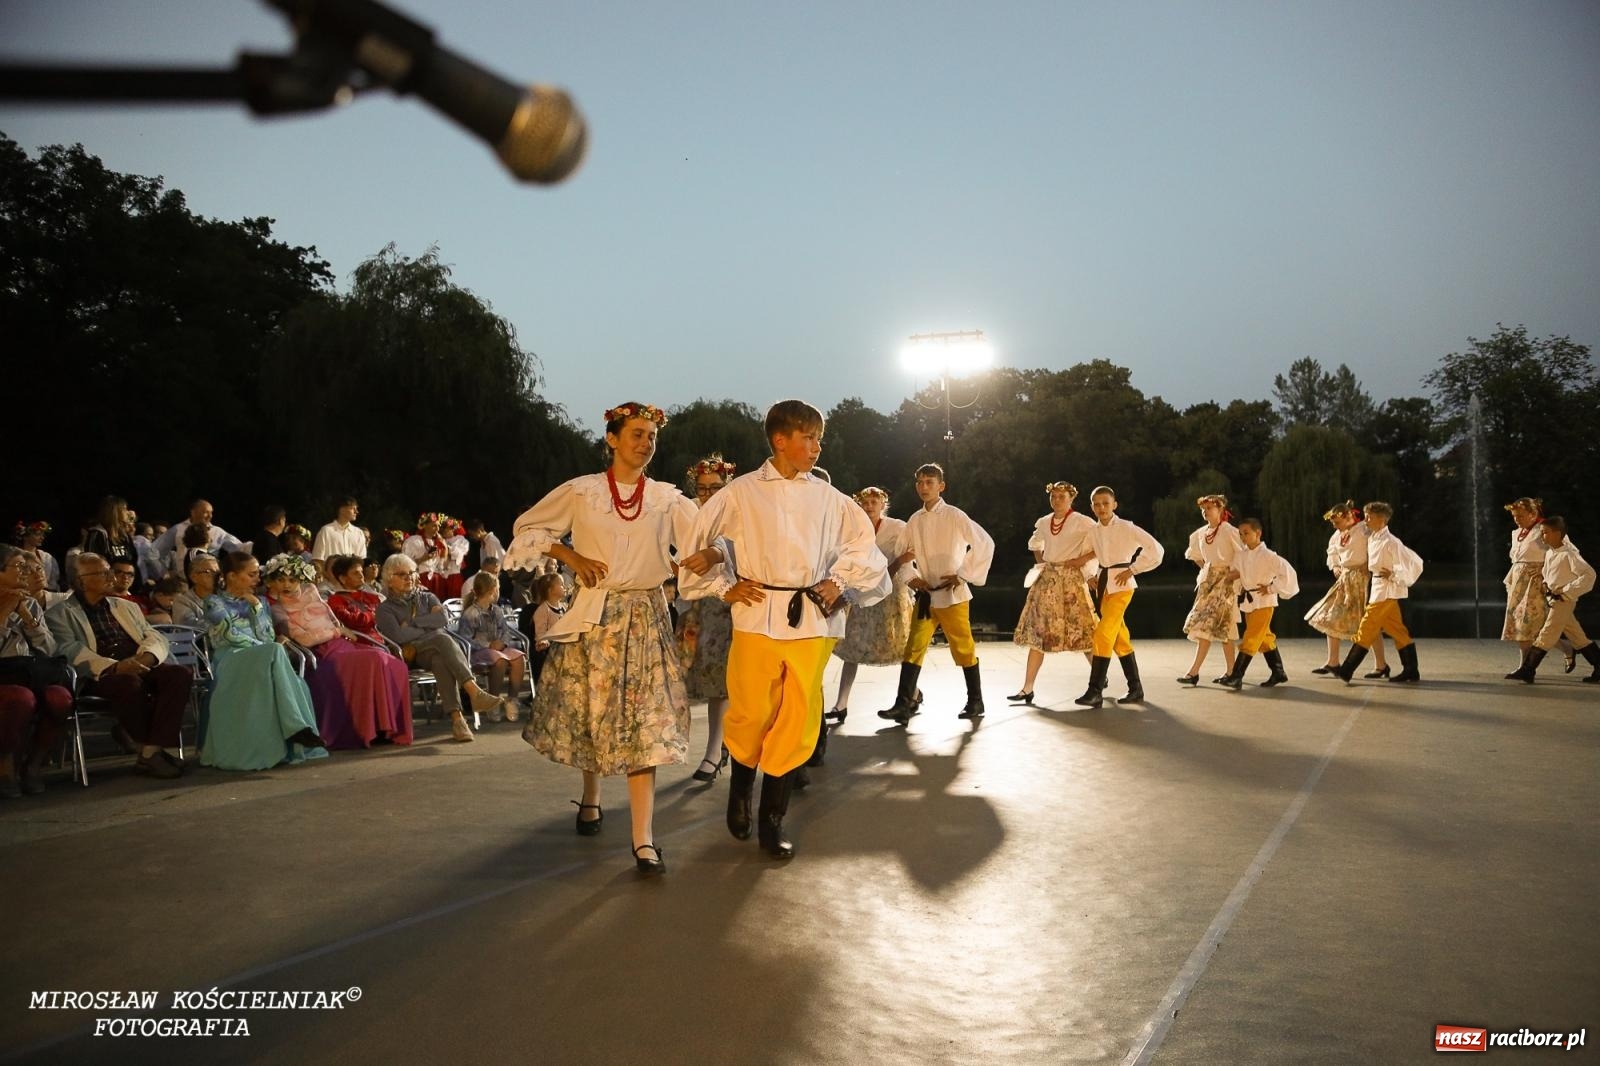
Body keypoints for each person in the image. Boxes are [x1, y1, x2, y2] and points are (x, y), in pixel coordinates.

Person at [680, 399, 889, 861]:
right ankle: (739, 791)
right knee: (751, 711)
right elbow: (698, 541)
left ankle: (773, 819)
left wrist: (839, 581)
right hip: (756, 613)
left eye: (819, 438)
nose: (817, 447)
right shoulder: (741, 492)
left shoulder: (831, 498)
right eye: (809, 437)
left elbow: (865, 548)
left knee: (797, 716)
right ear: (780, 440)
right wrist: (723, 587)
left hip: (811, 618)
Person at [506, 402, 698, 875]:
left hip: (648, 616)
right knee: (594, 713)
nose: (645, 442)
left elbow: (706, 541)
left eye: (651, 435)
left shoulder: (667, 499)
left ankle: (643, 839)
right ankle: (591, 795)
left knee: (645, 724)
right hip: (596, 616)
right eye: (636, 433)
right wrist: (570, 557)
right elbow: (527, 528)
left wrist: (707, 562)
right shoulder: (583, 492)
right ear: (612, 438)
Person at [45, 553, 193, 780]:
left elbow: (152, 634)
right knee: (127, 683)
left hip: (139, 659)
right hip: (101, 672)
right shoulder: (60, 614)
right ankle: (152, 753)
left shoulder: (126, 606)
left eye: (109, 571)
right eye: (102, 573)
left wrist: (148, 657)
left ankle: (150, 751)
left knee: (179, 675)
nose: (111, 577)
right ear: (80, 580)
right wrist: (115, 667)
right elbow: (69, 650)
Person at [878, 462, 995, 724]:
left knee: (963, 647)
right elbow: (901, 552)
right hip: (926, 597)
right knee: (913, 647)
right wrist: (911, 577)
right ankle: (904, 703)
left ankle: (975, 701)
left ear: (941, 486)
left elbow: (984, 543)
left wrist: (963, 574)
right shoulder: (915, 520)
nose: (923, 487)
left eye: (929, 482)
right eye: (919, 482)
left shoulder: (954, 515)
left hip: (952, 595)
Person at [263, 553, 413, 748]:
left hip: (341, 644)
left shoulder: (311, 591)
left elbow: (332, 618)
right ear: (271, 583)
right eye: (281, 580)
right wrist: (336, 631)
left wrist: (338, 629)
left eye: (292, 579)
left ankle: (385, 728)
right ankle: (366, 730)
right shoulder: (277, 609)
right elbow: (304, 639)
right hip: (320, 653)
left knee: (395, 664)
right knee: (374, 658)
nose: (287, 585)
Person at [200, 552, 327, 770]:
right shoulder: (214, 602)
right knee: (275, 651)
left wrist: (257, 609)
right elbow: (231, 635)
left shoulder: (260, 602)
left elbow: (267, 636)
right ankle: (296, 727)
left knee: (279, 657)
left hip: (263, 657)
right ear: (231, 576)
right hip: (230, 658)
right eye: (251, 575)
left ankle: (295, 729)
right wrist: (263, 650)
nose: (257, 579)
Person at [375, 553, 503, 742]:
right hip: (410, 653)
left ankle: (458, 720)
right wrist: (428, 625)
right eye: (402, 574)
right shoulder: (385, 609)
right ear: (389, 579)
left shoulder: (427, 597)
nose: (409, 577)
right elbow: (398, 636)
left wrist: (412, 623)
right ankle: (473, 691)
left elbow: (442, 619)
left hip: (434, 651)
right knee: (441, 638)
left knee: (441, 659)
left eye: (411, 572)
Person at [676, 452, 738, 782]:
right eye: (702, 488)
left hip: (727, 606)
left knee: (721, 682)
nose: (708, 494)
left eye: (715, 487)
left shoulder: (738, 514)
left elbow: (732, 554)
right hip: (694, 607)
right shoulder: (688, 511)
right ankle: (721, 744)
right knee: (695, 679)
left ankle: (714, 751)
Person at [827, 487, 914, 720]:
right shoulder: (854, 528)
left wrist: (909, 570)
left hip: (889, 593)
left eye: (874, 501)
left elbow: (910, 554)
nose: (869, 506)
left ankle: (912, 693)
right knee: (852, 646)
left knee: (895, 646)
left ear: (883, 504)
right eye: (865, 502)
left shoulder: (897, 527)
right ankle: (841, 704)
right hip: (860, 593)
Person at [1009, 481, 1099, 703]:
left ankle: (1098, 678)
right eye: (1054, 496)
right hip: (1048, 581)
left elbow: (1099, 545)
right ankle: (1027, 688)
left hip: (1070, 581)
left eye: (1061, 496)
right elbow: (1035, 544)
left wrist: (1081, 563)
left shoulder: (1082, 522)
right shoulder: (1044, 521)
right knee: (1038, 633)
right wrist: (1044, 565)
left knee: (1081, 631)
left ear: (1071, 498)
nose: (1056, 500)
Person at [1076, 486, 1165, 707]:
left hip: (1122, 586)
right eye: (1096, 504)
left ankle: (1095, 690)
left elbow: (1155, 549)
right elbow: (1085, 556)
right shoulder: (1093, 532)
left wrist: (1134, 569)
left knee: (1103, 634)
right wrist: (1088, 576)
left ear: (1114, 505)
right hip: (1103, 586)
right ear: (1091, 507)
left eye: (1105, 503)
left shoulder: (1127, 527)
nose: (1101, 508)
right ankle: (1136, 688)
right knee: (1119, 638)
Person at [0, 545, 73, 798]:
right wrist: (4, 612)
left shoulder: (29, 602)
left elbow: (50, 648)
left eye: (28, 567)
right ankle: (6, 766)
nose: (26, 572)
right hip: (5, 675)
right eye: (19, 567)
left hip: (30, 671)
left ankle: (33, 764)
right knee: (21, 699)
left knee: (60, 699)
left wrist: (28, 620)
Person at [1334, 502, 1423, 683]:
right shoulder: (1374, 537)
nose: (1366, 520)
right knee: (1397, 630)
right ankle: (1411, 669)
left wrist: (1395, 574)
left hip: (1386, 591)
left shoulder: (1391, 542)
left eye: (1369, 517)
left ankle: (1347, 669)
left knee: (1366, 627)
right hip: (1379, 587)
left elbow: (1409, 562)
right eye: (1366, 516)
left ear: (1382, 520)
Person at [1506, 517, 1599, 683]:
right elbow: (1550, 576)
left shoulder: (1570, 554)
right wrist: (1547, 586)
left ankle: (1528, 670)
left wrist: (1566, 592)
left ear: (1558, 534)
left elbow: (1589, 575)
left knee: (1546, 634)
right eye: (1541, 533)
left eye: (1545, 533)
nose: (1542, 537)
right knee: (1577, 636)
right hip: (1554, 599)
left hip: (1563, 601)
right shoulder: (1550, 553)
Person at [1305, 502, 1391, 678]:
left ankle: (1381, 665)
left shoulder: (1363, 530)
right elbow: (1332, 553)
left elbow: (1377, 545)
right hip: (1345, 579)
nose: (1335, 526)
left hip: (1362, 579)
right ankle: (1333, 662)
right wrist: (1336, 566)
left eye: (1337, 522)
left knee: (1367, 624)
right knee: (1330, 616)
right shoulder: (1337, 535)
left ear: (1348, 516)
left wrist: (1371, 564)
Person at [1215, 518, 1299, 688]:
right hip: (1249, 601)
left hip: (1264, 602)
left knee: (1251, 637)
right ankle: (1278, 672)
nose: (1243, 537)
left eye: (1246, 533)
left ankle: (1236, 676)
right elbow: (1236, 572)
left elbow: (1288, 573)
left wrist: (1271, 588)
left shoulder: (1269, 556)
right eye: (1240, 534)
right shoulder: (1241, 555)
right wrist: (1220, 578)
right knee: (1264, 638)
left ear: (1258, 533)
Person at [1177, 495, 1242, 685]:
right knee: (1217, 626)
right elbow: (1194, 555)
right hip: (1209, 581)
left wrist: (1233, 574)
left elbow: (1242, 554)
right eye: (1203, 509)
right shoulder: (1200, 533)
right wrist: (1206, 568)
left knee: (1214, 625)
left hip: (1226, 581)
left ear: (1220, 510)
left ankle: (1196, 672)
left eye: (1210, 508)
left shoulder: (1229, 531)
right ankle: (1230, 673)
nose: (1205, 512)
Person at [455, 571, 528, 723]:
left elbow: (505, 631)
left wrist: (503, 642)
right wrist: (488, 645)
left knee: (519, 657)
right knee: (500, 660)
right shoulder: (471, 613)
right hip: (477, 653)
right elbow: (465, 639)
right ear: (493, 590)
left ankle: (512, 700)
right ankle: (493, 702)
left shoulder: (497, 611)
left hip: (497, 649)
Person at [153, 499, 242, 576]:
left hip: (210, 583)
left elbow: (239, 548)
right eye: (206, 512)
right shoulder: (178, 529)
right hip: (183, 583)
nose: (210, 516)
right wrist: (163, 573)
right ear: (193, 512)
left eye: (211, 513)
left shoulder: (217, 532)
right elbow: (154, 551)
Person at [520, 571, 567, 681]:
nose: (564, 587)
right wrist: (543, 640)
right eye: (561, 584)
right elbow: (540, 631)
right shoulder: (543, 610)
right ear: (550, 591)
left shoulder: (564, 607)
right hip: (551, 645)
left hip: (563, 642)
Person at [83, 496, 140, 583]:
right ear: (115, 512)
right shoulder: (98, 534)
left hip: (125, 586)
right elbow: (93, 565)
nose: (128, 512)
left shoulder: (124, 536)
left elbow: (133, 560)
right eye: (124, 509)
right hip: (107, 586)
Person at [311, 497, 367, 582]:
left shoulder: (358, 533)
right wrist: (330, 578)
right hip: (329, 584)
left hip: (352, 584)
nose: (356, 512)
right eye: (353, 508)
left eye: (356, 508)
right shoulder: (326, 531)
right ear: (342, 509)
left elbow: (361, 561)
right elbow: (317, 560)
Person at [327, 556, 386, 636]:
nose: (361, 576)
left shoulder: (371, 596)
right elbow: (350, 621)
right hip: (357, 643)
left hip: (382, 640)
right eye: (356, 573)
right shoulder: (335, 600)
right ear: (342, 579)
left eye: (361, 572)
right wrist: (372, 616)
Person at [403, 514, 452, 599]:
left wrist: (445, 550)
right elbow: (405, 565)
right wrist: (423, 558)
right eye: (434, 526)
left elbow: (444, 566)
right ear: (425, 526)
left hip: (437, 580)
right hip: (420, 579)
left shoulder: (438, 542)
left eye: (438, 526)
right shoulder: (413, 540)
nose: (437, 529)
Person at [172, 552, 219, 628]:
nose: (216, 576)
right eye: (209, 572)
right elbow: (190, 627)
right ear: (194, 577)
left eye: (217, 572)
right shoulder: (183, 602)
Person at [13, 521, 61, 592]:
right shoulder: (14, 556)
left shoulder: (46, 557)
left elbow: (53, 584)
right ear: (25, 537)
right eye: (38, 534)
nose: (42, 538)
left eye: (43, 535)